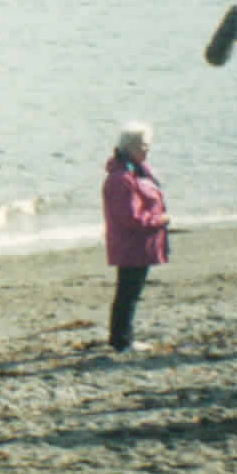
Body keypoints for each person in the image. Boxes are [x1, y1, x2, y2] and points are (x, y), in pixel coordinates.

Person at [101, 122, 170, 352]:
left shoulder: (135, 170)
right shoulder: (121, 178)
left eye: (148, 145)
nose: (147, 150)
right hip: (130, 245)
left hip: (139, 244)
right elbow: (130, 218)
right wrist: (159, 220)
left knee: (130, 292)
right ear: (129, 147)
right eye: (144, 146)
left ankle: (122, 337)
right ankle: (122, 340)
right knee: (127, 293)